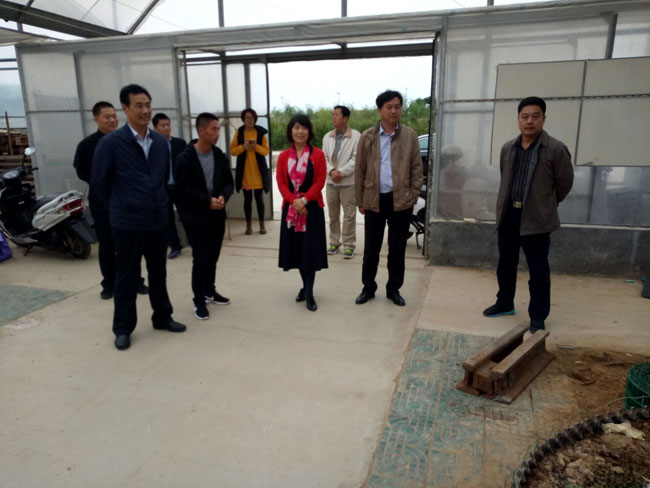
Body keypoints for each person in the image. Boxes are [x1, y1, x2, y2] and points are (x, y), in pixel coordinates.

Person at [91, 84, 186, 351]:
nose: (145, 110)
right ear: (125, 108)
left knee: (159, 272)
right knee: (127, 276)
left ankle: (162, 316)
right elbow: (99, 184)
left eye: (148, 105)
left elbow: (162, 178)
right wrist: (121, 206)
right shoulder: (111, 143)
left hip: (157, 221)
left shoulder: (159, 142)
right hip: (128, 223)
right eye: (139, 106)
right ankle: (123, 328)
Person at [483, 96, 574, 333]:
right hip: (509, 215)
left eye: (535, 116)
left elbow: (564, 183)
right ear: (518, 119)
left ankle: (538, 316)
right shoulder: (508, 148)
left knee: (538, 271)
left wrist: (546, 204)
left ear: (543, 118)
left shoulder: (555, 149)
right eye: (525, 117)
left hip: (536, 220)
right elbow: (505, 178)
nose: (529, 121)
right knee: (505, 264)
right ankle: (505, 303)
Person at [73, 101, 148, 300]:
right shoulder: (87, 145)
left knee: (131, 244)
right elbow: (81, 171)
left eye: (114, 116)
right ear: (96, 119)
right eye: (107, 117)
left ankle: (136, 281)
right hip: (102, 203)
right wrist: (102, 182)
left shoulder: (129, 141)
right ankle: (109, 284)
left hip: (128, 202)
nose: (113, 120)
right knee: (106, 244)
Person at [354, 90, 423, 307]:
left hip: (401, 201)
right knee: (371, 249)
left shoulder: (410, 136)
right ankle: (368, 287)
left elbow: (417, 168)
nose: (394, 111)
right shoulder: (367, 137)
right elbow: (360, 170)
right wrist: (360, 200)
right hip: (374, 200)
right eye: (389, 107)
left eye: (397, 106)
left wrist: (413, 194)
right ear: (380, 110)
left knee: (397, 249)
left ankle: (393, 289)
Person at [174, 113, 234, 320]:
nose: (217, 133)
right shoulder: (185, 158)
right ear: (201, 131)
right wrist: (206, 200)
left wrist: (223, 197)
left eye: (218, 129)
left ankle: (210, 290)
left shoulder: (219, 156)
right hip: (195, 216)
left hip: (217, 214)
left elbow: (228, 182)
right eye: (214, 129)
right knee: (200, 258)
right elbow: (182, 189)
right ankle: (199, 300)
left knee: (213, 256)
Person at [276, 114, 328, 312]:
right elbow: (281, 182)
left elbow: (320, 181)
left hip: (311, 209)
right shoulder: (283, 157)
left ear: (309, 131)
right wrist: (294, 201)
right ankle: (306, 287)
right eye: (296, 127)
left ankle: (309, 293)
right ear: (290, 131)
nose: (300, 131)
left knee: (310, 253)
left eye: (304, 128)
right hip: (291, 209)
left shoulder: (318, 155)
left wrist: (304, 200)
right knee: (297, 252)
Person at [323, 105, 360, 259]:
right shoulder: (327, 137)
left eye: (337, 115)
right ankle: (334, 242)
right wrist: (332, 171)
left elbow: (356, 159)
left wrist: (341, 172)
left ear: (345, 118)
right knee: (333, 216)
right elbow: (324, 158)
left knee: (349, 216)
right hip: (331, 182)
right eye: (333, 114)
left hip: (348, 184)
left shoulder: (356, 136)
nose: (334, 117)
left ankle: (349, 245)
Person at [230, 108, 270, 235]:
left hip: (258, 176)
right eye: (247, 118)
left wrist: (255, 146)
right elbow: (232, 151)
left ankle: (262, 225)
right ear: (243, 119)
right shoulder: (239, 133)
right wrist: (243, 147)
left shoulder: (260, 133)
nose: (249, 120)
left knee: (259, 200)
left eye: (251, 118)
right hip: (245, 176)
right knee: (247, 201)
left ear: (255, 119)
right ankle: (248, 226)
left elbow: (266, 151)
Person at [152, 112, 187, 259]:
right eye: (163, 125)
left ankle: (194, 243)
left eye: (168, 125)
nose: (167, 128)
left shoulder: (180, 144)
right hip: (163, 188)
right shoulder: (152, 146)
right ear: (155, 128)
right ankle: (175, 246)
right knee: (168, 219)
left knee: (186, 216)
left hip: (179, 187)